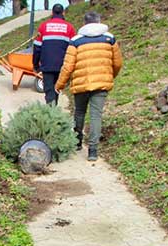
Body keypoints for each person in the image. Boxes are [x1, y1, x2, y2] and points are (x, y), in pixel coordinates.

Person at [55, 11, 123, 161]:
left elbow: (67, 66)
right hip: (101, 85)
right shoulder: (109, 38)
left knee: (79, 112)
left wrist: (59, 85)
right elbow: (117, 63)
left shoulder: (75, 41)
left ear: (84, 23)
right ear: (99, 21)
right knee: (95, 116)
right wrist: (110, 75)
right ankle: (93, 150)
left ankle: (77, 141)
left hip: (81, 84)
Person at [32, 4, 76, 106]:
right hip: (62, 65)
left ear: (52, 13)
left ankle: (51, 115)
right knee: (56, 90)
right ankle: (54, 112)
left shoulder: (43, 26)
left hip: (47, 65)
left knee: (49, 92)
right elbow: (74, 49)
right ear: (63, 13)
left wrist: (36, 65)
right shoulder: (69, 27)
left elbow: (37, 48)